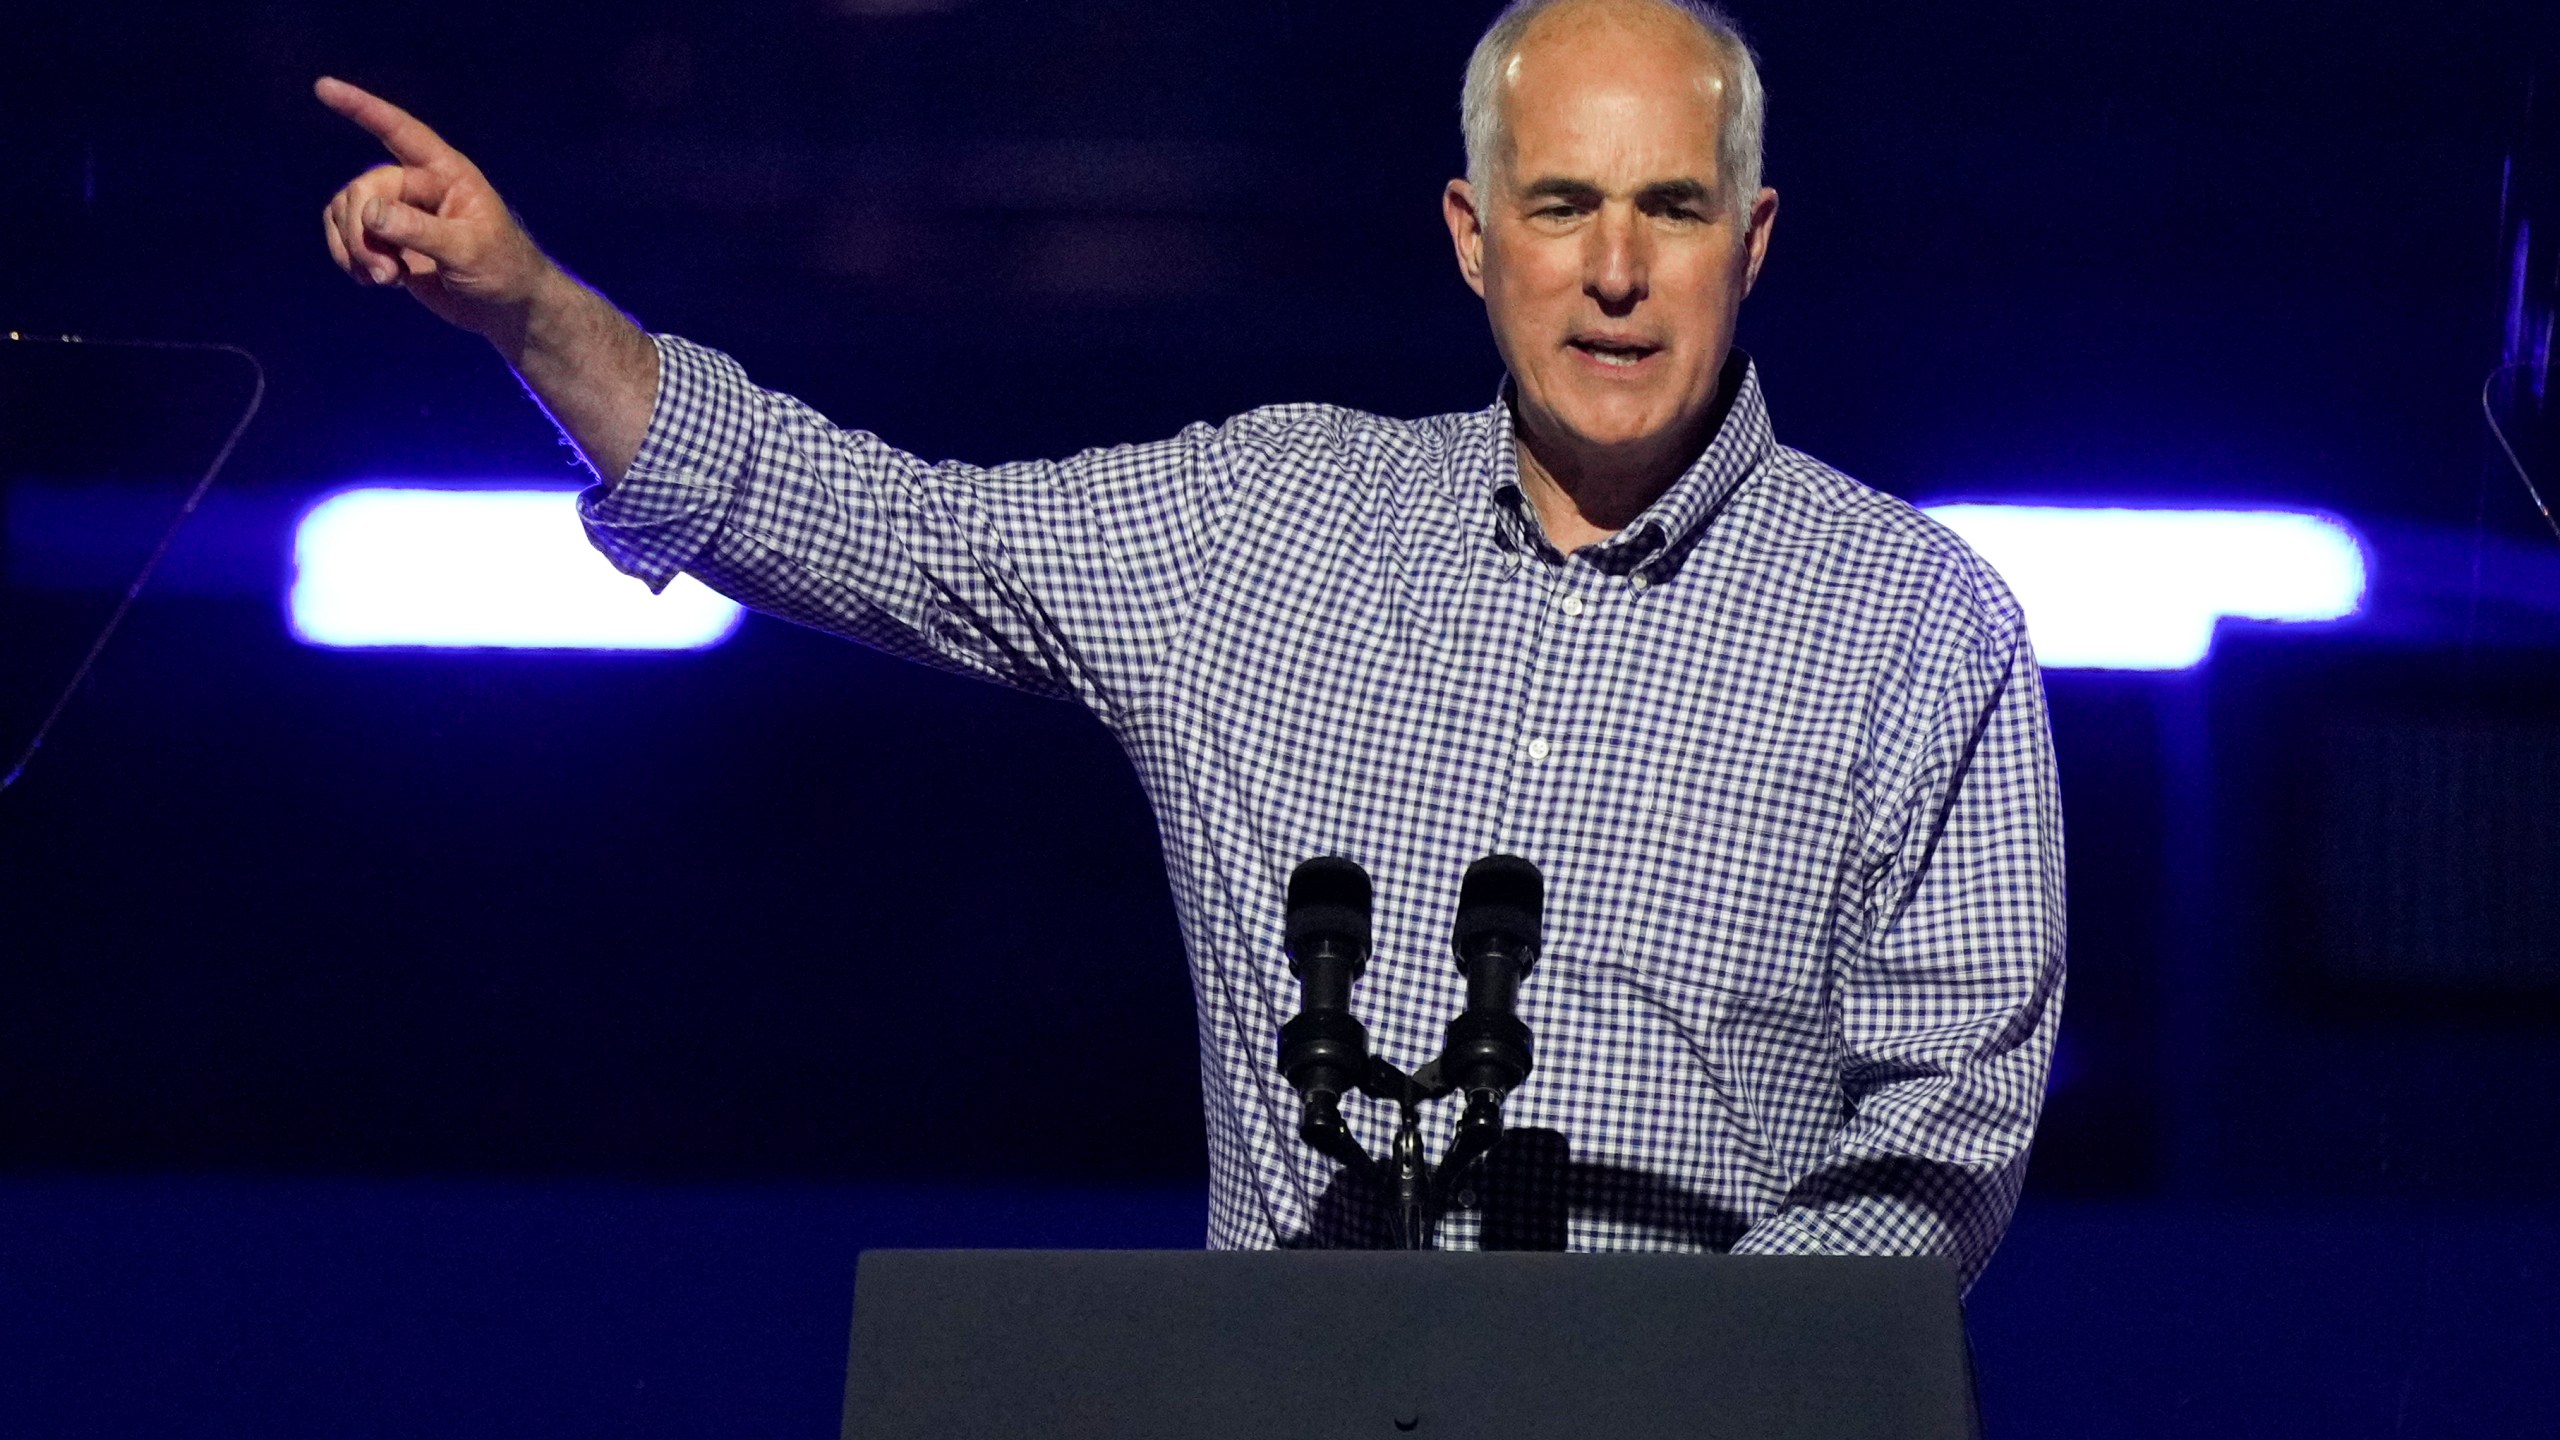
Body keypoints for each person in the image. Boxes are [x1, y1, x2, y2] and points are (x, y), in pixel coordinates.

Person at [317, 0, 2063, 1278]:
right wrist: (534, 311)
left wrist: (1650, 1401)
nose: (1613, 266)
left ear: (1748, 243)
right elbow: (886, 528)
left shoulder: (1915, 624)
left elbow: (1942, 1151)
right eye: (1559, 205)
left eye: (1670, 209)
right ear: (1473, 239)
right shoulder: (1263, 525)